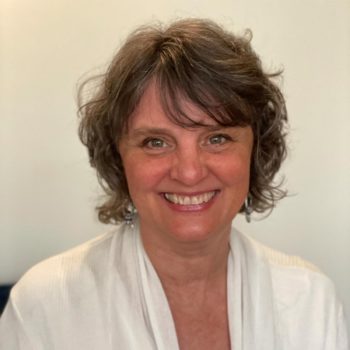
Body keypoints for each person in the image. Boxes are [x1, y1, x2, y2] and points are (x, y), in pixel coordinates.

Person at [0, 18, 348, 350]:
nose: (189, 172)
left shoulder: (310, 300)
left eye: (217, 138)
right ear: (118, 156)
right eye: (156, 142)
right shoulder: (45, 306)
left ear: (256, 151)